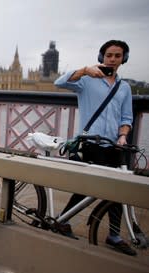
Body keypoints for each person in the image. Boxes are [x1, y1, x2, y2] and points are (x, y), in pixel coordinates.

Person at [54, 40, 135, 256]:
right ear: (102, 56)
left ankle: (113, 235)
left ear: (123, 59)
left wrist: (123, 136)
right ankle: (64, 220)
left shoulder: (124, 87)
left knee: (118, 189)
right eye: (109, 55)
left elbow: (126, 117)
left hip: (114, 144)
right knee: (95, 187)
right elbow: (59, 82)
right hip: (91, 142)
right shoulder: (87, 80)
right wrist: (84, 70)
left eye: (118, 56)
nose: (113, 59)